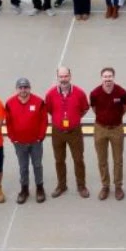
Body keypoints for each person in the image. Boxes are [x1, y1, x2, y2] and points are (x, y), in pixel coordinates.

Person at [45, 66, 90, 198]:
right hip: (57, 132)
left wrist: (74, 118)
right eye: (61, 76)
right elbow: (49, 109)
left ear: (70, 76)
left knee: (78, 160)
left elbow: (84, 109)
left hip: (74, 131)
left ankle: (81, 186)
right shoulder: (50, 94)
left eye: (66, 76)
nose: (63, 79)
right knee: (59, 160)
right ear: (57, 77)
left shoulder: (79, 93)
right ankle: (61, 185)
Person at [4, 77, 48, 204]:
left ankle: (40, 188)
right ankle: (24, 189)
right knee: (23, 167)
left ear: (29, 88)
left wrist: (40, 137)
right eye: (20, 87)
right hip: (20, 143)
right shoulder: (10, 103)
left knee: (37, 165)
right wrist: (13, 138)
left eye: (26, 87)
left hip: (35, 142)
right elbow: (9, 123)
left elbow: (43, 121)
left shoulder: (39, 102)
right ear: (17, 89)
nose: (23, 90)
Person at [90, 67, 126, 201]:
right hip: (100, 128)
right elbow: (95, 109)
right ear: (101, 78)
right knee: (102, 159)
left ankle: (118, 186)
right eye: (105, 77)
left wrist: (115, 118)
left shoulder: (121, 92)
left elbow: (124, 108)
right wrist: (104, 118)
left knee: (118, 160)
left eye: (110, 76)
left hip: (117, 128)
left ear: (114, 77)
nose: (108, 79)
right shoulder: (95, 93)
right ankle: (105, 185)